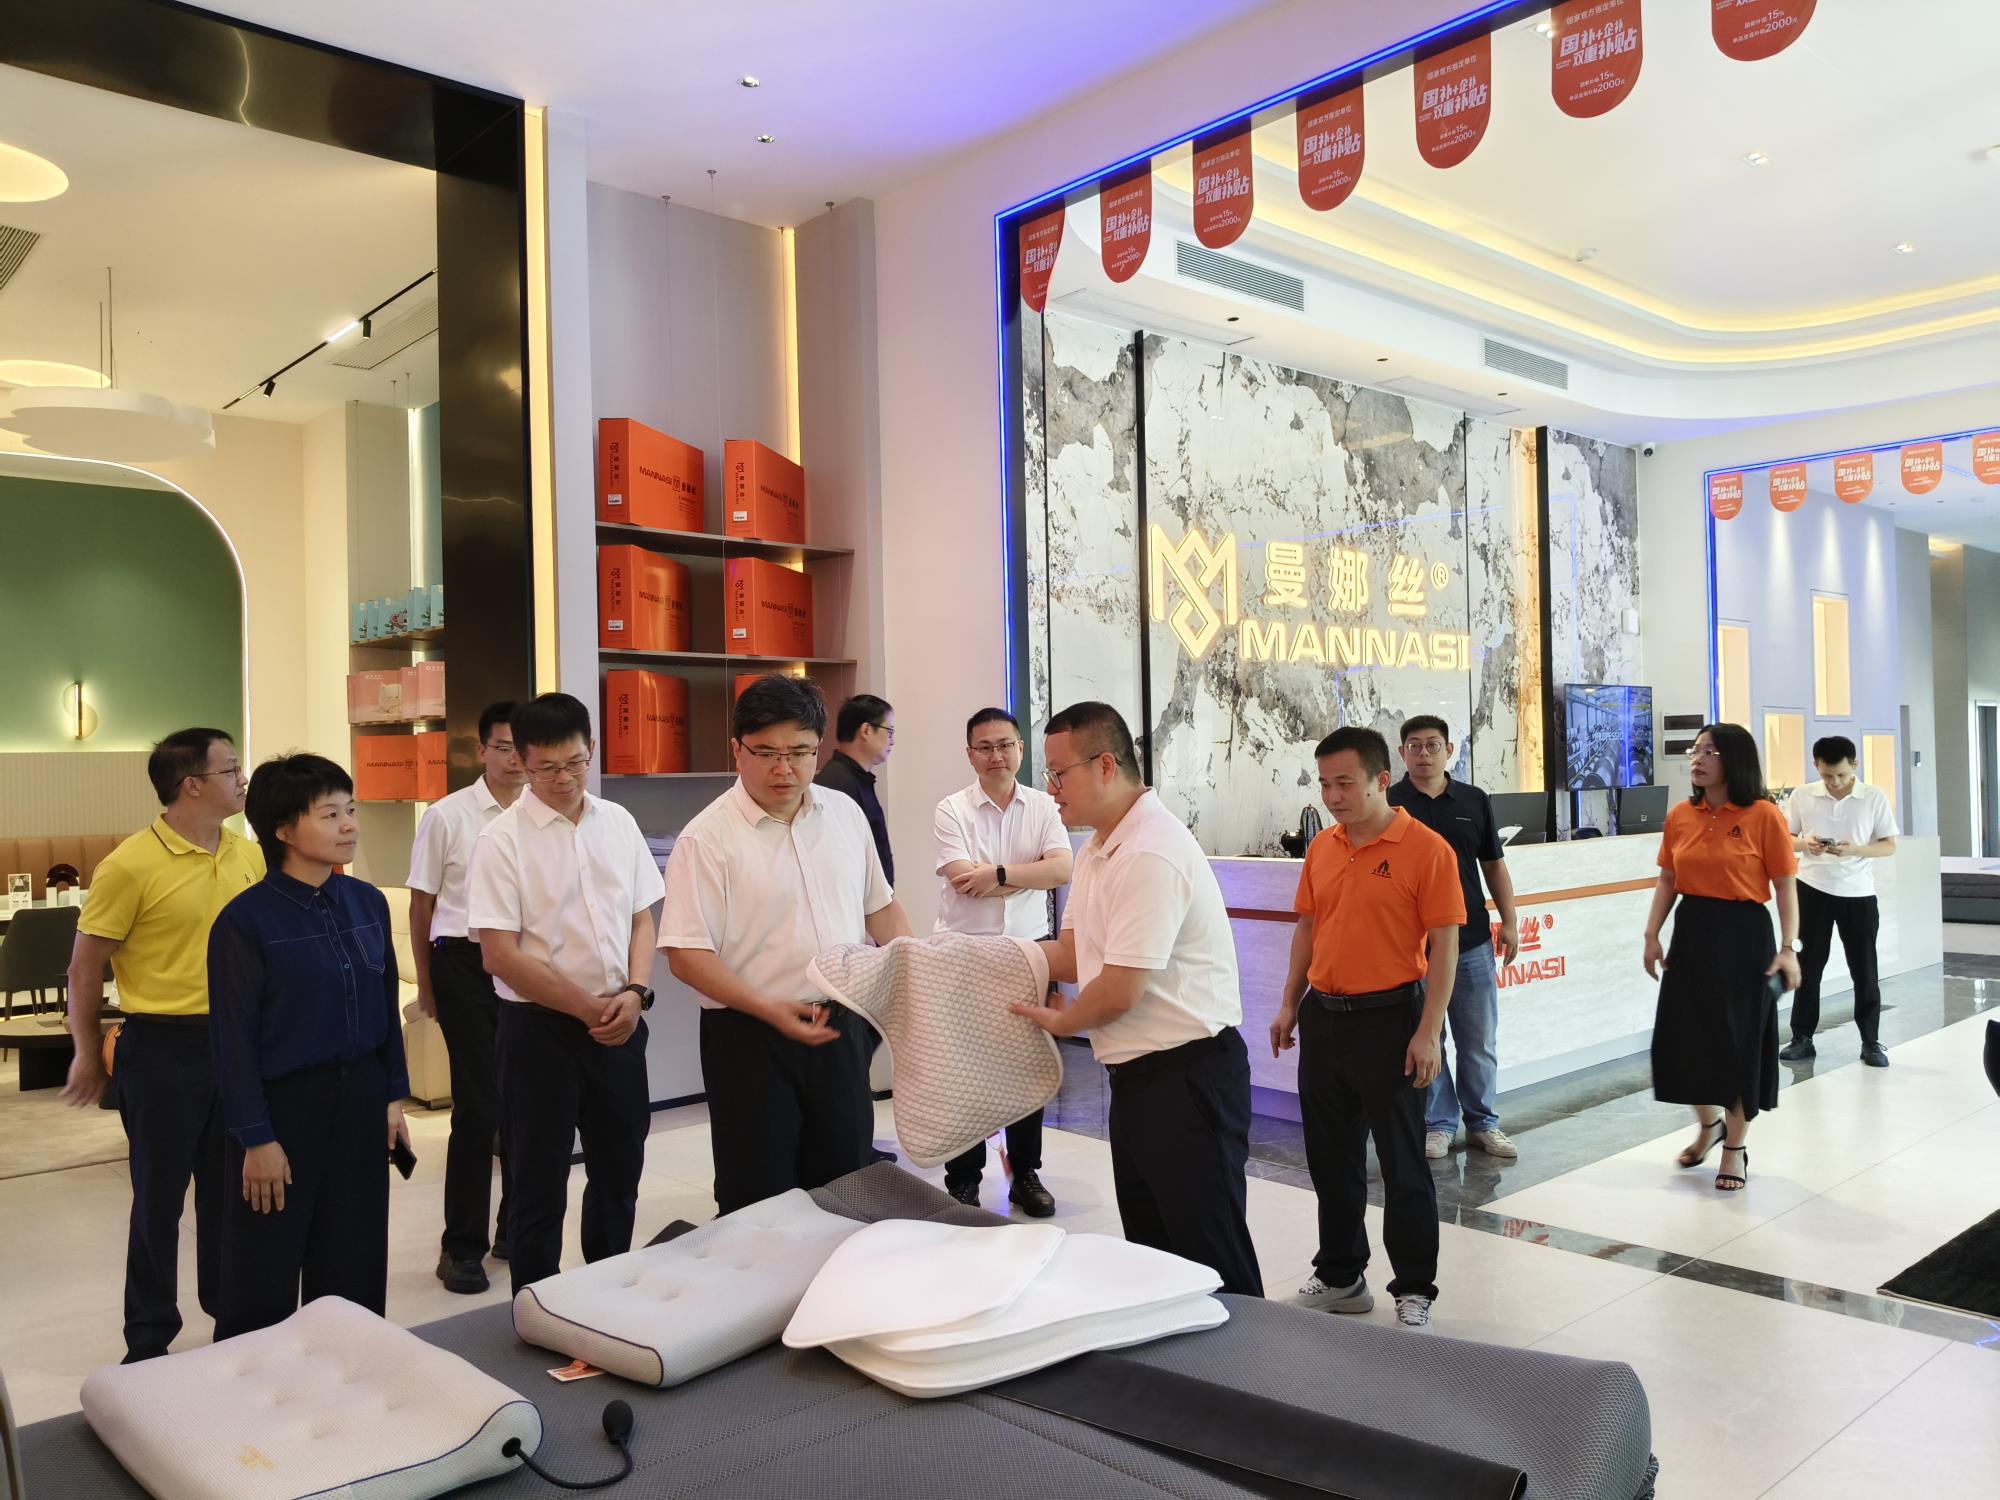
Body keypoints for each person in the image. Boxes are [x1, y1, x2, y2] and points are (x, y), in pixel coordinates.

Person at [1010, 702, 1261, 1297]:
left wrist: (1062, 1020)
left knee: (1211, 1259)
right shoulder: (1098, 849)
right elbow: (1073, 955)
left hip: (1188, 1076)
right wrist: (992, 959)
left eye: (1058, 773)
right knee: (1154, 1254)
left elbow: (1121, 988)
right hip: (1134, 1079)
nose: (1050, 789)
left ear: (1105, 766)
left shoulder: (1150, 848)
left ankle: (1250, 1356)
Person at [663, 675, 914, 1215]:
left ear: (819, 748)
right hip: (750, 1036)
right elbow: (686, 954)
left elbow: (881, 908)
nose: (785, 768)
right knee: (759, 1196)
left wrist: (919, 968)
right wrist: (767, 1008)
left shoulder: (844, 814)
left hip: (840, 1025)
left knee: (846, 1180)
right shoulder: (706, 838)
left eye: (800, 752)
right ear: (737, 750)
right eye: (767, 753)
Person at [61, 729, 262, 1361]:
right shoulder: (129, 865)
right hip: (162, 1048)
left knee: (231, 1193)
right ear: (192, 785)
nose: (242, 779)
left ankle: (232, 1315)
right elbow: (84, 969)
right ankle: (148, 1336)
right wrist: (86, 1051)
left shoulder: (248, 854)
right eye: (231, 769)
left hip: (237, 1044)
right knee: (158, 1197)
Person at [206, 754, 411, 1338]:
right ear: (283, 830)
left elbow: (384, 1008)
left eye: (350, 809)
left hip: (361, 1098)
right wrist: (256, 1138)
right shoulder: (245, 922)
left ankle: (350, 1369)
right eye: (329, 814)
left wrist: (392, 1097)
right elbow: (232, 1041)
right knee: (263, 1271)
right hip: (284, 1108)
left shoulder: (368, 902)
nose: (349, 824)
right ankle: (255, 1384)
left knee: (355, 1256)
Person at [468, 693, 662, 1292]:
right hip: (538, 1031)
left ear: (591, 750)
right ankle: (537, 1306)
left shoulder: (618, 822)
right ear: (521, 762)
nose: (564, 778)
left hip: (621, 1021)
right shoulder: (501, 840)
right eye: (547, 767)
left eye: (575, 763)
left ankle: (606, 1293)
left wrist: (635, 992)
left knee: (619, 1168)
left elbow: (642, 917)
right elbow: (499, 954)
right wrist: (588, 1008)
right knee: (537, 1178)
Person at [1273, 726, 1463, 1330]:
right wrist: (1288, 1003)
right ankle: (1341, 1275)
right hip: (1325, 1019)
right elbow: (1308, 927)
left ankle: (1415, 1288)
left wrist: (1428, 1031)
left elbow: (1445, 946)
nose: (1333, 797)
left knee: (1404, 1162)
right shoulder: (1322, 847)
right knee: (1331, 1159)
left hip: (1392, 1020)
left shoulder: (1427, 849)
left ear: (1382, 780)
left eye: (1346, 784)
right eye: (1325, 784)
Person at [1643, 723, 1800, 1192]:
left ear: (1735, 759)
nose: (1698, 758)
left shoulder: (1764, 815)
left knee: (1737, 1047)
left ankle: (1734, 1147)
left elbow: (1785, 886)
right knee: (1683, 1040)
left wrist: (1789, 949)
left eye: (1710, 751)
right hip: (1692, 932)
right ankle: (1709, 1125)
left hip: (1744, 936)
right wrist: (1651, 935)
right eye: (1695, 751)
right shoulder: (1681, 815)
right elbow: (1668, 880)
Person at [933, 707, 1073, 1214]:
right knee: (965, 1073)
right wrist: (1025, 873)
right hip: (964, 954)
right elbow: (962, 881)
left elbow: (1061, 869)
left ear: (1020, 749)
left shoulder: (1044, 806)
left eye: (1005, 744)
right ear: (970, 754)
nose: (996, 755)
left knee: (1026, 1066)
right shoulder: (951, 809)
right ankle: (963, 1179)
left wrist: (994, 874)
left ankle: (1025, 1173)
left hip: (1027, 953)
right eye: (985, 747)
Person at [408, 701, 526, 1293]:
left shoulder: (542, 813)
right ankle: (461, 1248)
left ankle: (514, 1229)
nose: (515, 758)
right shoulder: (448, 815)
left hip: (528, 965)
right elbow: (422, 905)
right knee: (479, 1107)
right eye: (503, 747)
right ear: (481, 750)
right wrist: (427, 982)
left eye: (523, 747)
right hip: (463, 963)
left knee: (526, 1105)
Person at [1386, 716, 1522, 1161]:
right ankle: (1438, 1123)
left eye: (1432, 745)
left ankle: (1483, 1122)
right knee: (1429, 1039)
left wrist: (1510, 921)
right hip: (1413, 947)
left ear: (1448, 750)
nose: (1423, 753)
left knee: (1478, 1040)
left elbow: (1493, 865)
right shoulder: (1389, 804)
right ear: (1402, 753)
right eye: (1414, 746)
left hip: (1472, 943)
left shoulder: (1473, 799)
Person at [1781, 736, 1898, 1067]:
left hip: (1858, 893)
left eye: (1842, 775)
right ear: (1816, 766)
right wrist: (1806, 844)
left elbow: (1889, 845)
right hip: (1812, 888)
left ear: (1855, 765)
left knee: (1864, 969)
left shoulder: (1873, 797)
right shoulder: (1803, 795)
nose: (1834, 782)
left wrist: (1855, 850)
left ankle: (1871, 1041)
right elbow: (1785, 838)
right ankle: (1802, 1037)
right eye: (1827, 775)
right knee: (1809, 967)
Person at [814, 693, 896, 883]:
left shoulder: (857, 778)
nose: (892, 741)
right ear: (866, 730)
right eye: (889, 732)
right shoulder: (838, 784)